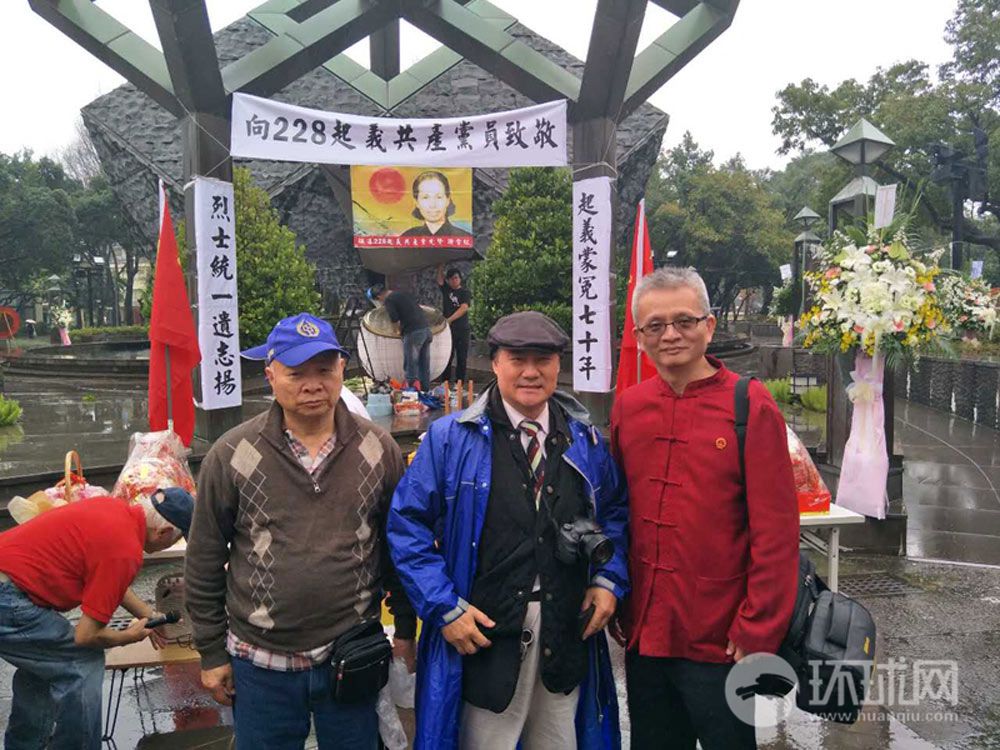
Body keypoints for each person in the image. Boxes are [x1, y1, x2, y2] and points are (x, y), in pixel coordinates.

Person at [388, 311, 629, 750]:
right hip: (482, 641)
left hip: (565, 633)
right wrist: (443, 607)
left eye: (543, 360)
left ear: (558, 365)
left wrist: (607, 580)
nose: (531, 372)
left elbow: (614, 512)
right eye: (518, 359)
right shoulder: (450, 439)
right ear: (496, 362)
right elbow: (407, 527)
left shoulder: (585, 440)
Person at [185, 312, 416, 750]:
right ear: (271, 375)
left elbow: (397, 547)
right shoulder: (232, 453)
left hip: (351, 653)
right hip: (260, 661)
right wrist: (211, 652)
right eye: (296, 373)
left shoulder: (377, 448)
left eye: (324, 370)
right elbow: (203, 560)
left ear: (342, 370)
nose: (313, 385)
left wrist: (405, 627)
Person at [609, 267, 799, 750]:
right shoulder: (629, 406)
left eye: (684, 321)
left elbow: (777, 530)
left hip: (722, 637)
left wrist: (758, 626)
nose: (670, 335)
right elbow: (617, 511)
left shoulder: (749, 405)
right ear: (639, 337)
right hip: (647, 630)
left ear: (709, 326)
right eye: (655, 325)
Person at [0, 492, 190, 750]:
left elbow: (109, 576)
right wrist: (128, 637)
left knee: (47, 666)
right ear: (164, 532)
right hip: (8, 597)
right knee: (83, 660)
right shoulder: (125, 550)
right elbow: (86, 636)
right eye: (176, 539)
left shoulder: (112, 510)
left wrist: (147, 614)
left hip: (9, 583)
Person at [370, 284, 432, 390]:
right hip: (426, 330)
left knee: (411, 364)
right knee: (424, 364)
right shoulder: (402, 293)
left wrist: (396, 331)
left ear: (379, 297)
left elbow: (394, 319)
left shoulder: (389, 300)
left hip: (413, 332)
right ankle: (425, 391)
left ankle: (412, 393)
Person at [399, 171, 472, 239]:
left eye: (439, 197)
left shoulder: (464, 238)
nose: (432, 205)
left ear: (448, 200)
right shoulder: (407, 237)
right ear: (416, 202)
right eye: (425, 197)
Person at [437, 264, 471, 383]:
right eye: (451, 279)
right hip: (448, 330)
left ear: (460, 279)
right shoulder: (447, 290)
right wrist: (441, 264)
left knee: (461, 356)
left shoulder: (465, 292)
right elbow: (440, 280)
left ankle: (459, 382)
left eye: (456, 278)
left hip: (462, 328)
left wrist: (450, 319)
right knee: (447, 355)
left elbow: (464, 308)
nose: (454, 280)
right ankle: (445, 381)